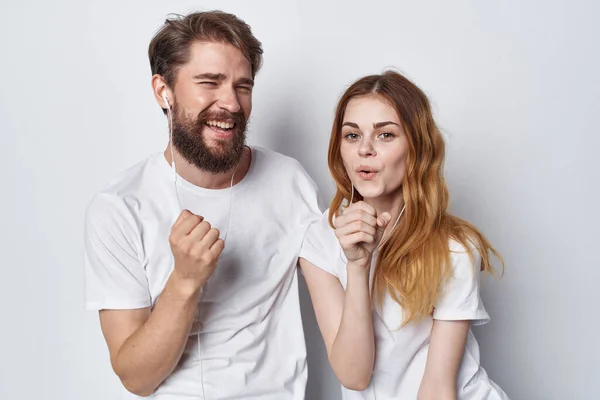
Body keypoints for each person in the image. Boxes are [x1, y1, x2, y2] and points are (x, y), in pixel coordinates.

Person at [84, 10, 321, 399]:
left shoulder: (289, 181)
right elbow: (136, 379)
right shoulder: (119, 208)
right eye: (210, 82)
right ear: (164, 91)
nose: (230, 103)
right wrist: (184, 281)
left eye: (243, 86)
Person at [299, 70, 510, 399]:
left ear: (416, 146)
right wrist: (357, 265)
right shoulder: (319, 237)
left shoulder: (454, 248)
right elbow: (354, 376)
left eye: (385, 135)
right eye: (352, 135)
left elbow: (438, 388)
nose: (365, 149)